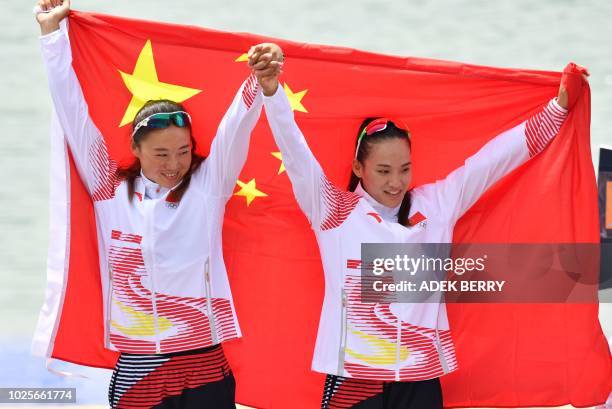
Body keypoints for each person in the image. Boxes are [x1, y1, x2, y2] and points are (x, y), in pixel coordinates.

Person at [252, 46, 587, 408]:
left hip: (421, 378)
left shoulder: (436, 206)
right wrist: (271, 91)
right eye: (383, 171)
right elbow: (295, 152)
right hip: (354, 379)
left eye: (404, 169)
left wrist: (558, 109)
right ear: (358, 167)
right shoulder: (334, 212)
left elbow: (495, 160)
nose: (396, 182)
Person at [35, 1, 283, 407]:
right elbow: (72, 112)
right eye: (161, 154)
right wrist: (52, 38)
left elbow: (237, 126)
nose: (175, 164)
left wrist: (260, 77)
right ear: (136, 149)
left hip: (204, 364)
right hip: (138, 368)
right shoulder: (108, 190)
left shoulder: (208, 187)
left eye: (183, 152)